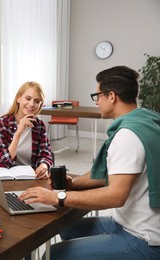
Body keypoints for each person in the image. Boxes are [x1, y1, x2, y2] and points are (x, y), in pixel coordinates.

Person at [19, 66, 160, 259]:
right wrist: (72, 184)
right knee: (66, 227)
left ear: (111, 96)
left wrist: (57, 197)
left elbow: (115, 196)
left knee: (54, 255)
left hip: (143, 239)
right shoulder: (146, 119)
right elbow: (112, 176)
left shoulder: (127, 136)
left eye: (97, 95)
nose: (96, 102)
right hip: (130, 222)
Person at [0, 81, 53, 179]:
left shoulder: (39, 126)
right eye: (28, 98)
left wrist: (44, 166)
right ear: (18, 98)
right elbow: (0, 163)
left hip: (33, 178)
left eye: (37, 101)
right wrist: (18, 133)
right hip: (8, 179)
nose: (31, 104)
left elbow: (45, 154)